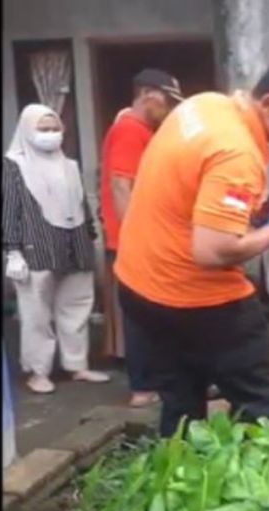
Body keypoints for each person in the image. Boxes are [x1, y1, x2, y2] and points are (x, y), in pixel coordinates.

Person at [114, 54, 269, 437]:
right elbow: (212, 251)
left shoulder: (205, 105)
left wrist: (257, 212)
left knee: (182, 401)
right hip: (188, 293)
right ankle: (263, 484)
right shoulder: (237, 151)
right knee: (260, 402)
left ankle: (180, 475)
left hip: (138, 286)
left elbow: (192, 188)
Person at [2, 104, 110, 394]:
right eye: (43, 129)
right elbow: (10, 209)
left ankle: (77, 364)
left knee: (76, 307)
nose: (50, 135)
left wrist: (90, 235)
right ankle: (38, 371)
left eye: (54, 129)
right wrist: (12, 250)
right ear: (27, 131)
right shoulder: (14, 165)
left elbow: (81, 204)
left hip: (75, 245)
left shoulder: (69, 165)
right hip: (36, 247)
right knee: (36, 312)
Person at [99, 68, 183, 407]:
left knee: (151, 315)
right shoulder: (130, 130)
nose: (170, 109)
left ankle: (156, 383)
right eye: (168, 100)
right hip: (134, 241)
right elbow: (122, 185)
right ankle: (143, 388)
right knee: (142, 317)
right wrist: (141, 236)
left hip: (139, 238)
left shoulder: (143, 131)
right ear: (149, 94)